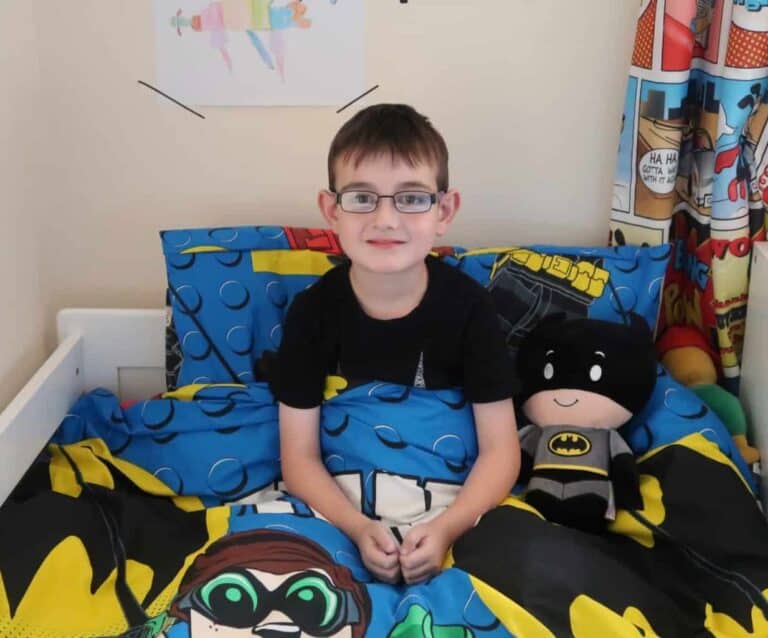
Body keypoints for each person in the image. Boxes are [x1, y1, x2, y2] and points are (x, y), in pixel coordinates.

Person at [274, 104, 520, 585]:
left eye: (411, 198)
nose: (385, 219)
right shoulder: (311, 312)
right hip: (341, 512)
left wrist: (447, 529)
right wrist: (358, 528)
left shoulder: (470, 309)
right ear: (332, 211)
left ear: (444, 212)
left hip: (452, 508)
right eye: (362, 198)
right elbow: (298, 458)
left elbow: (501, 452)